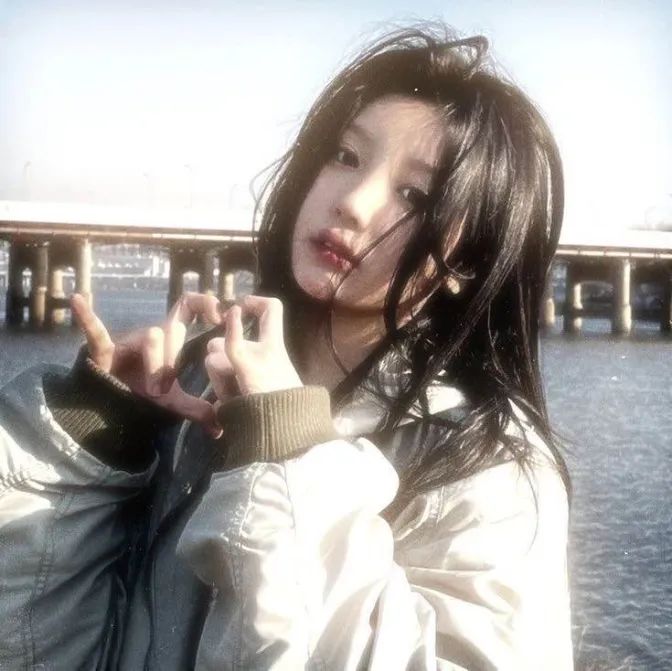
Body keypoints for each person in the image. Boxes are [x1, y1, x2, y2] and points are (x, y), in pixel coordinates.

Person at [0, 25, 573, 670]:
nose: (352, 202)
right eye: (346, 156)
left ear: (468, 261)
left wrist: (288, 448)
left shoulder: (486, 464)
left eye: (415, 195)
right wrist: (97, 433)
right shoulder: (194, 396)